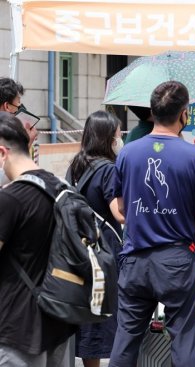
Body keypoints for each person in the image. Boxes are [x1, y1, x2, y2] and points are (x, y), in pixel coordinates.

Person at [109, 81, 195, 366]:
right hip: (177, 259)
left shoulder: (128, 153)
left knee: (126, 338)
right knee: (182, 337)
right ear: (185, 113)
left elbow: (118, 208)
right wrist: (189, 238)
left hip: (135, 258)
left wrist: (138, 221)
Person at [0, 112, 75, 366]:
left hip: (17, 327)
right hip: (59, 318)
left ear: (2, 153)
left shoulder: (10, 199)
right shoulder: (60, 187)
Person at [67, 111, 125, 367]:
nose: (120, 138)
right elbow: (119, 214)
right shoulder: (109, 170)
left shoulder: (76, 165)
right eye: (117, 134)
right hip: (104, 252)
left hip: (78, 249)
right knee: (104, 313)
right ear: (107, 139)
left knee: (87, 314)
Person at [0, 78, 38, 146]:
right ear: (7, 106)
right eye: (18, 102)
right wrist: (28, 141)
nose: (21, 106)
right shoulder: (5, 135)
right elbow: (14, 156)